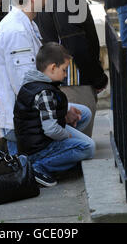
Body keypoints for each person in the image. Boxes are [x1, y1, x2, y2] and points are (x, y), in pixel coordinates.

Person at [36, 0, 108, 136]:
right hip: (75, 82)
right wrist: (98, 77)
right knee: (80, 146)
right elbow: (74, 43)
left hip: (69, 80)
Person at [14, 42, 95, 187]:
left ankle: (62, 157)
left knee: (83, 114)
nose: (65, 75)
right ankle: (39, 167)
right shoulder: (44, 93)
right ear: (52, 67)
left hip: (35, 139)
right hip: (38, 148)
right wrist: (65, 135)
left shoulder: (32, 81)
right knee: (87, 148)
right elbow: (51, 129)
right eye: (64, 70)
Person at [0, 0, 45, 154]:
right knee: (85, 146)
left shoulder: (27, 23)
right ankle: (34, 167)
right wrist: (53, 114)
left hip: (28, 112)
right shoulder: (16, 30)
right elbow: (25, 85)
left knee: (82, 115)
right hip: (19, 120)